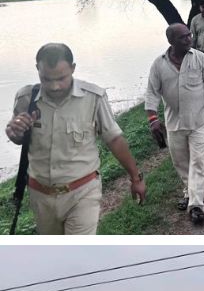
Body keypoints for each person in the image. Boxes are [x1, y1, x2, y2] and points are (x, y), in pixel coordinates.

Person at [5, 43, 146, 234]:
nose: (54, 86)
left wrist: (135, 178)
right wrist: (14, 132)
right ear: (38, 70)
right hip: (40, 195)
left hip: (82, 192)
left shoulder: (93, 97)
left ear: (73, 68)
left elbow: (114, 139)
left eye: (61, 78)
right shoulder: (26, 98)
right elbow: (19, 137)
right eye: (46, 79)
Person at [144, 23, 204, 225]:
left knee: (197, 162)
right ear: (171, 41)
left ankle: (196, 205)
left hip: (199, 121)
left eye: (189, 35)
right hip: (174, 124)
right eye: (183, 37)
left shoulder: (201, 59)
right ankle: (189, 192)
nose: (189, 39)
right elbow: (152, 93)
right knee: (181, 163)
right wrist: (153, 120)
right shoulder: (158, 64)